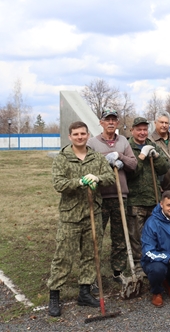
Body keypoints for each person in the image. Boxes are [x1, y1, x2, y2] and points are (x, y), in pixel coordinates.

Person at [47, 121, 115, 317]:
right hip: (71, 215)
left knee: (91, 254)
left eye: (83, 134)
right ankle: (55, 294)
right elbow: (58, 183)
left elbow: (110, 177)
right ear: (70, 136)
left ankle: (84, 292)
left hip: (93, 213)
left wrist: (97, 179)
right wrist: (79, 182)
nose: (80, 137)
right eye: (76, 134)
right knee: (63, 257)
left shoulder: (96, 157)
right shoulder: (63, 158)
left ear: (87, 135)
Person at [87, 107, 137, 282]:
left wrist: (121, 157)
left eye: (113, 120)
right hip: (100, 196)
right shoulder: (92, 143)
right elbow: (87, 167)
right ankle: (92, 275)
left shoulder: (123, 141)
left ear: (117, 123)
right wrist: (105, 160)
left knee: (120, 236)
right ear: (101, 122)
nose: (110, 122)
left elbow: (133, 164)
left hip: (119, 195)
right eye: (107, 119)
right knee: (95, 236)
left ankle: (118, 271)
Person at [126, 117, 170, 276]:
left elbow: (165, 168)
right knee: (136, 234)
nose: (142, 132)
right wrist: (142, 156)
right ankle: (138, 263)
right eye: (139, 129)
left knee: (154, 232)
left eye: (145, 129)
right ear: (132, 130)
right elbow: (131, 172)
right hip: (135, 199)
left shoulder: (152, 145)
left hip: (153, 198)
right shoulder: (128, 147)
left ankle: (154, 258)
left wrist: (156, 157)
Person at [152, 111, 170, 192]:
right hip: (157, 188)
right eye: (161, 122)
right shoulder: (149, 141)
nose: (164, 125)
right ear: (155, 123)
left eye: (166, 123)